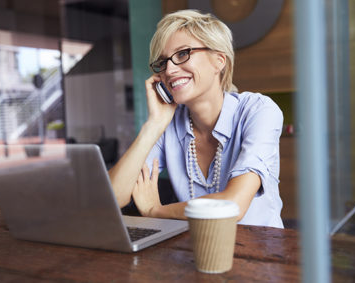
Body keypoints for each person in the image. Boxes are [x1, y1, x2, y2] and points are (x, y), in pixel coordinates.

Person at [108, 9, 284, 228]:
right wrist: (153, 125)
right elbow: (111, 198)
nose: (169, 70)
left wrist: (156, 211)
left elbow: (234, 205)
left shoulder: (259, 111)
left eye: (182, 54)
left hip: (258, 254)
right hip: (194, 251)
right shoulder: (168, 125)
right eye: (162, 63)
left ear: (219, 60)